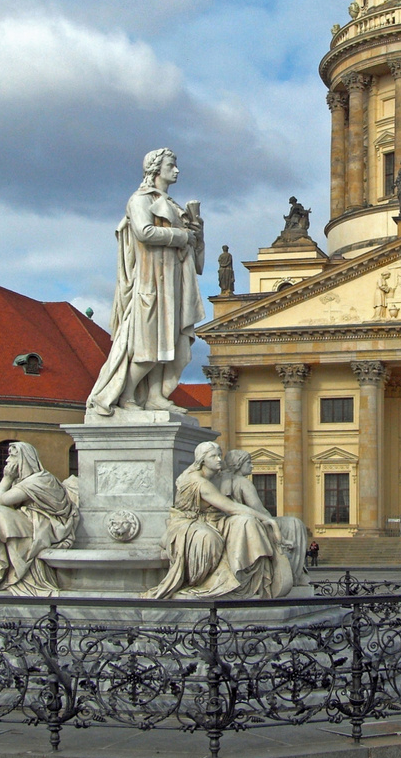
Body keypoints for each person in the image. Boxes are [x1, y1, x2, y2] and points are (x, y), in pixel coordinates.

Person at [87, 148, 205, 416]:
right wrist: (181, 235)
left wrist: (197, 233)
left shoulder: (175, 206)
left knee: (175, 347)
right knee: (149, 346)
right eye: (171, 165)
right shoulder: (139, 200)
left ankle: (155, 395)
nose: (176, 170)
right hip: (151, 281)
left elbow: (197, 260)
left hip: (175, 283)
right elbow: (143, 231)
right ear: (155, 169)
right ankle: (126, 395)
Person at [148, 441, 292, 600]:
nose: (219, 460)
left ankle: (246, 582)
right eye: (213, 456)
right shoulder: (198, 482)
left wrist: (263, 520)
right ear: (202, 460)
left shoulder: (216, 477)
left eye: (219, 455)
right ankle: (212, 584)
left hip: (213, 520)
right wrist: (269, 521)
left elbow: (232, 509)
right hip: (187, 524)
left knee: (246, 522)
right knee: (209, 538)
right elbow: (232, 507)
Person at [0, 442, 78, 595]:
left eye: (12, 456)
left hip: (45, 526)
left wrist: (7, 478)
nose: (8, 460)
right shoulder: (29, 481)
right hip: (30, 520)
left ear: (24, 459)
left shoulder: (39, 480)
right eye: (8, 455)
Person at [220, 449, 309, 586]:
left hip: (237, 522)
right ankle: (294, 573)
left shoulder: (224, 480)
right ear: (239, 464)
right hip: (253, 521)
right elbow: (258, 509)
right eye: (248, 462)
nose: (252, 466)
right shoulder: (243, 482)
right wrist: (272, 522)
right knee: (294, 524)